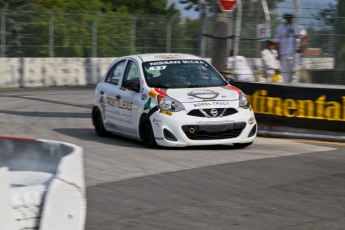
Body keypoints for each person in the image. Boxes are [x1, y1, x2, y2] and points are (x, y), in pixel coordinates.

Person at [274, 10, 307, 83]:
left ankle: (294, 88)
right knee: (285, 73)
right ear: (284, 17)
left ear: (292, 17)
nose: (288, 17)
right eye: (286, 16)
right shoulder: (280, 27)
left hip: (294, 54)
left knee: (295, 72)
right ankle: (286, 89)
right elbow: (277, 41)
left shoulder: (297, 26)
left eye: (289, 16)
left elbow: (304, 37)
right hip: (283, 53)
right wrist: (278, 53)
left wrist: (302, 48)